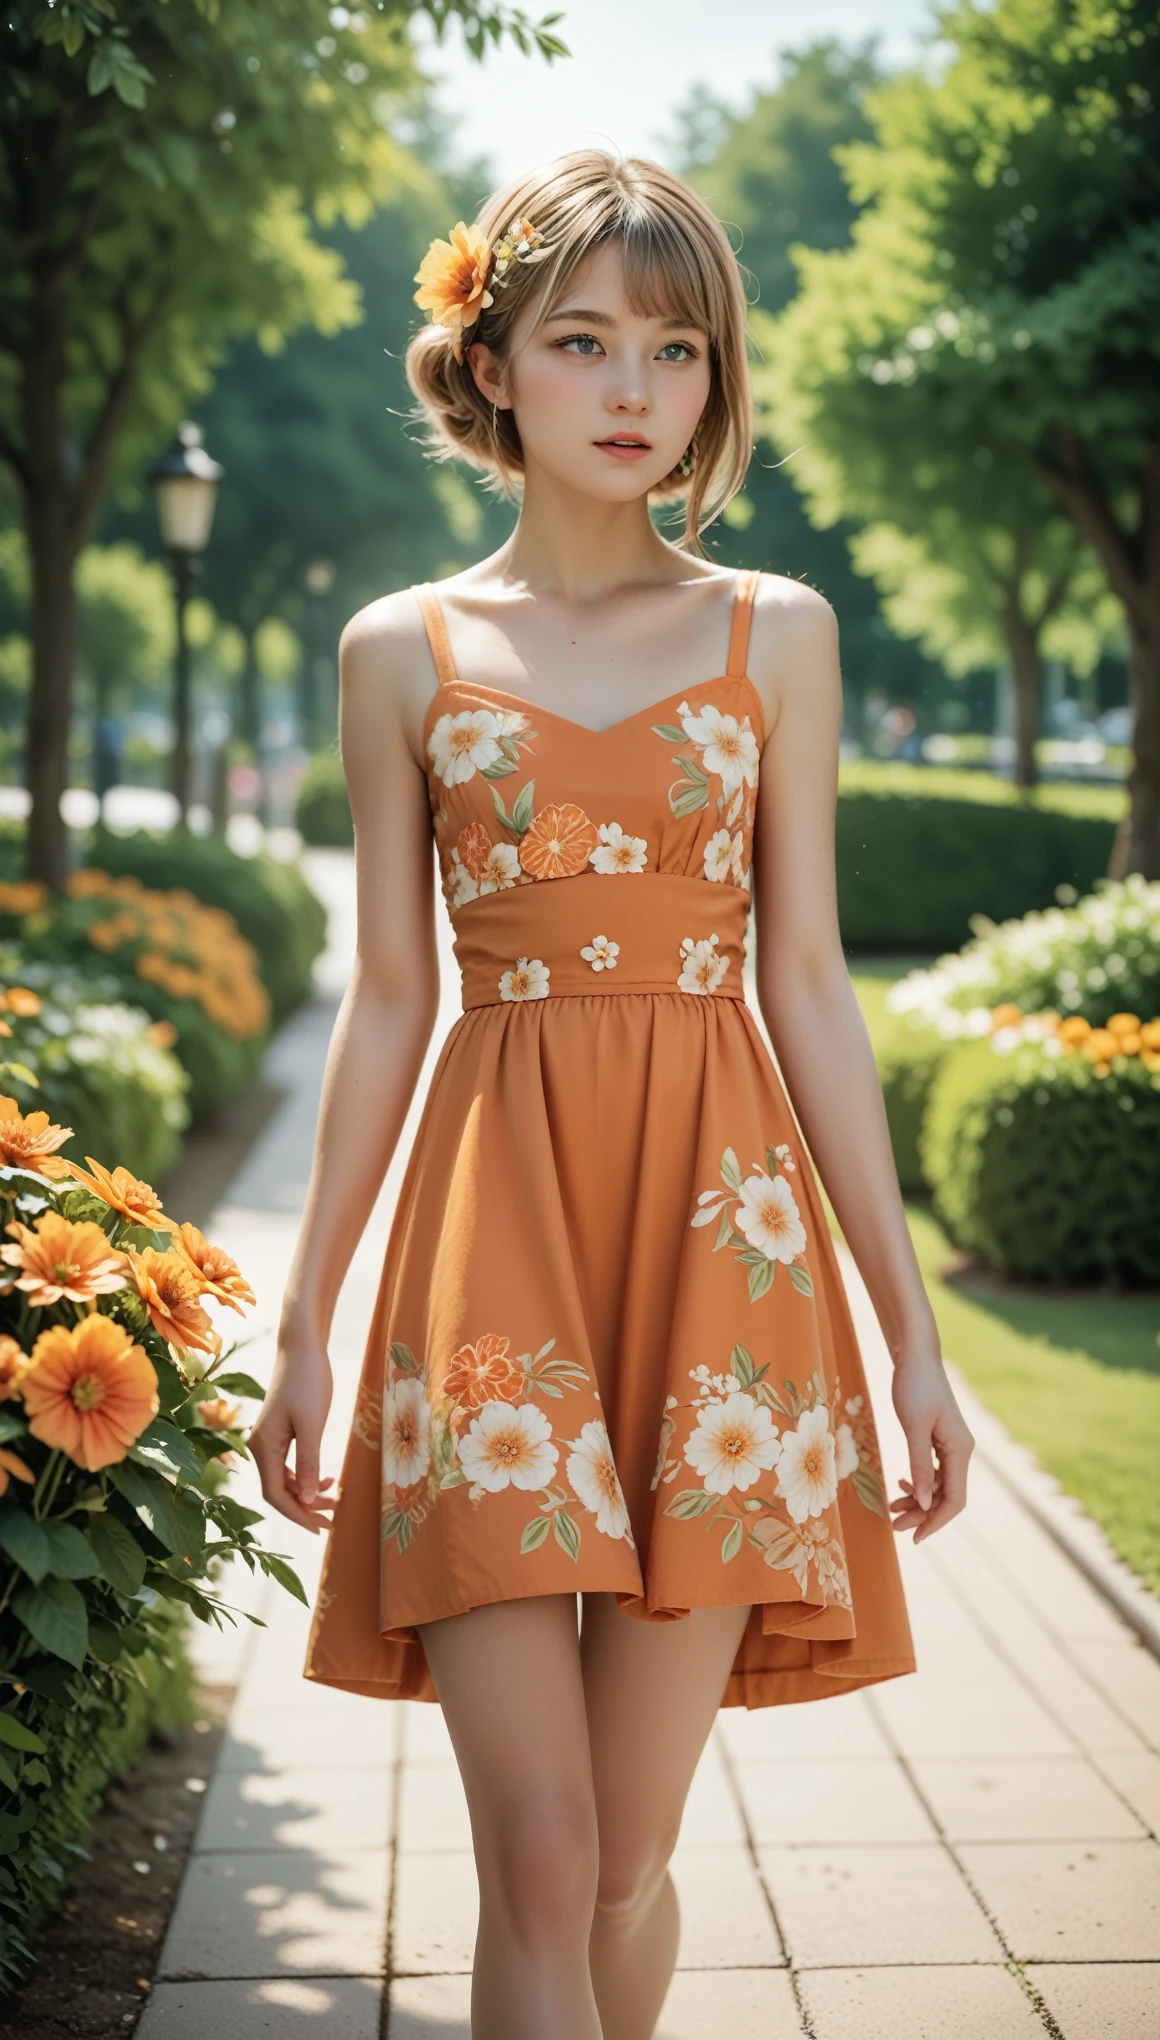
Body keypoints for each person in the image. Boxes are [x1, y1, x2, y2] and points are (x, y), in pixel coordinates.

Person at [250, 149, 974, 2040]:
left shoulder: (778, 636)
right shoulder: (400, 649)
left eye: (677, 348)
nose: (637, 388)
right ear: (493, 365)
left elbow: (809, 983)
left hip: (722, 1253)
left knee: (634, 1861)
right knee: (545, 1861)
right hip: (489, 1256)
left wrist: (909, 1332)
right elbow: (389, 996)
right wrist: (307, 1315)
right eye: (583, 342)